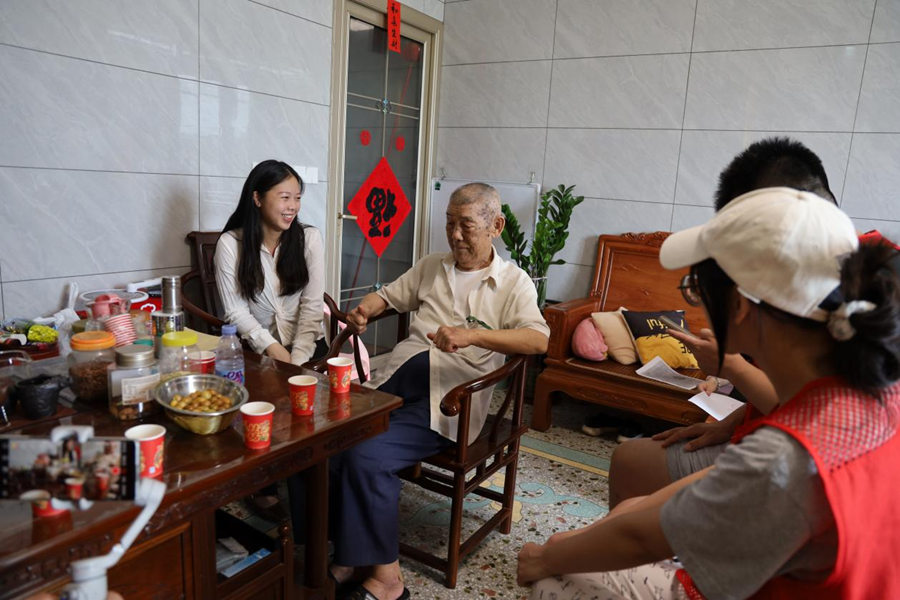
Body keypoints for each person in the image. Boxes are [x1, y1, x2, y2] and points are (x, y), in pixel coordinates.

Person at [518, 187, 900, 598]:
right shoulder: (870, 391)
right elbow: (720, 483)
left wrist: (545, 558)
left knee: (556, 579)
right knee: (622, 515)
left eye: (697, 291)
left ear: (739, 308)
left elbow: (642, 539)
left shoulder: (783, 456)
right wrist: (634, 512)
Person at [330, 182, 550, 600]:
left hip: (447, 404)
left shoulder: (513, 283)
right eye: (450, 224)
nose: (455, 235)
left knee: (366, 456)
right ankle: (349, 555)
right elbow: (389, 296)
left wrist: (473, 336)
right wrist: (364, 310)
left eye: (466, 225)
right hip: (394, 382)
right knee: (329, 438)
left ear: (496, 227)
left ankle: (388, 581)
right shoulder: (433, 265)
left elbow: (538, 340)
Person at [607, 137, 838, 507]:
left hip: (807, 463)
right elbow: (795, 397)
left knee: (630, 471)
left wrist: (731, 367)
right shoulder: (814, 274)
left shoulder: (850, 300)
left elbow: (815, 423)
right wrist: (730, 425)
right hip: (777, 437)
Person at [215, 159, 326, 367]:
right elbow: (236, 311)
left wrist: (297, 361)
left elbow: (313, 305)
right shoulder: (230, 244)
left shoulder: (309, 238)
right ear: (257, 198)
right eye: (285, 197)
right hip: (259, 351)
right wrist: (270, 345)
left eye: (297, 198)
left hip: (309, 349)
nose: (293, 206)